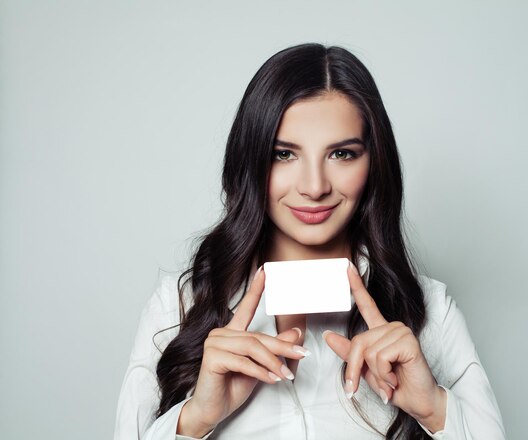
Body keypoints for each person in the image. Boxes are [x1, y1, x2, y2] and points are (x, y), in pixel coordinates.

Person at [114, 43, 506, 440]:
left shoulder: (431, 312)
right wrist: (196, 419)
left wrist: (434, 410)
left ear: (374, 162)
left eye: (341, 154)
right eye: (284, 154)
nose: (314, 187)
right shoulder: (178, 307)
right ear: (250, 161)